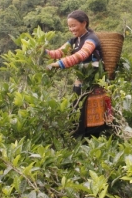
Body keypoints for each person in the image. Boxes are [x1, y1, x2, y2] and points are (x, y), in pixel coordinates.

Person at [45, 10, 111, 138]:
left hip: (93, 83)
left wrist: (57, 64)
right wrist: (42, 51)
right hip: (80, 82)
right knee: (77, 112)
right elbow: (58, 53)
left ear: (84, 23)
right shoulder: (74, 40)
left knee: (93, 118)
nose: (71, 29)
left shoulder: (91, 39)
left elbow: (81, 55)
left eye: (74, 25)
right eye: (69, 26)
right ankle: (79, 141)